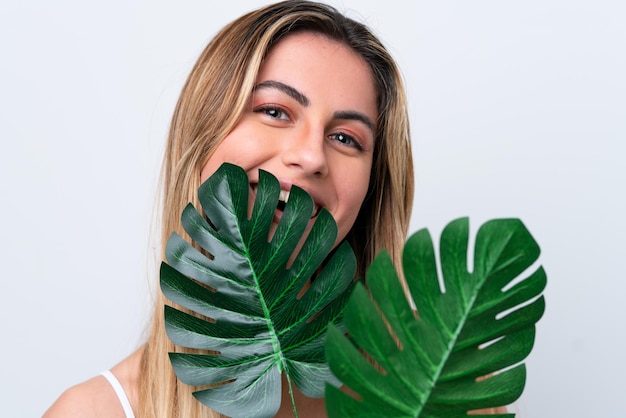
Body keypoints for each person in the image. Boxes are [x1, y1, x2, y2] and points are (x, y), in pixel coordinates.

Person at [44, 1, 505, 416]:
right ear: (204, 131)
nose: (311, 157)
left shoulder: (438, 391)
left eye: (346, 138)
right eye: (275, 111)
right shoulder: (96, 410)